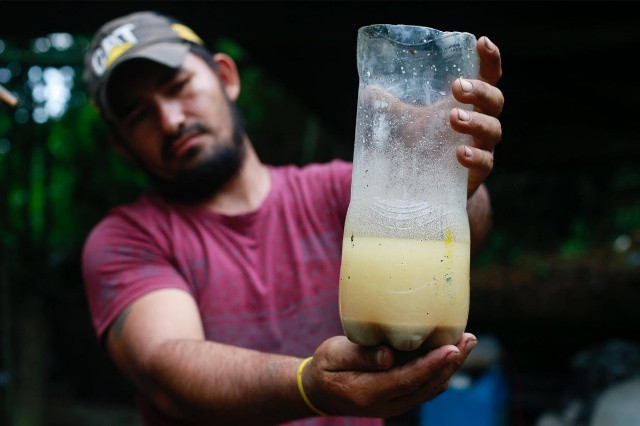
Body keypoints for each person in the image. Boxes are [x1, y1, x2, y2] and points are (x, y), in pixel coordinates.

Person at [81, 10, 504, 426]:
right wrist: (308, 386)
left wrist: (442, 173)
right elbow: (166, 366)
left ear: (226, 76)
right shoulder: (125, 239)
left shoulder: (338, 190)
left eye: (177, 86)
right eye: (139, 115)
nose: (170, 121)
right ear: (122, 145)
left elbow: (470, 233)